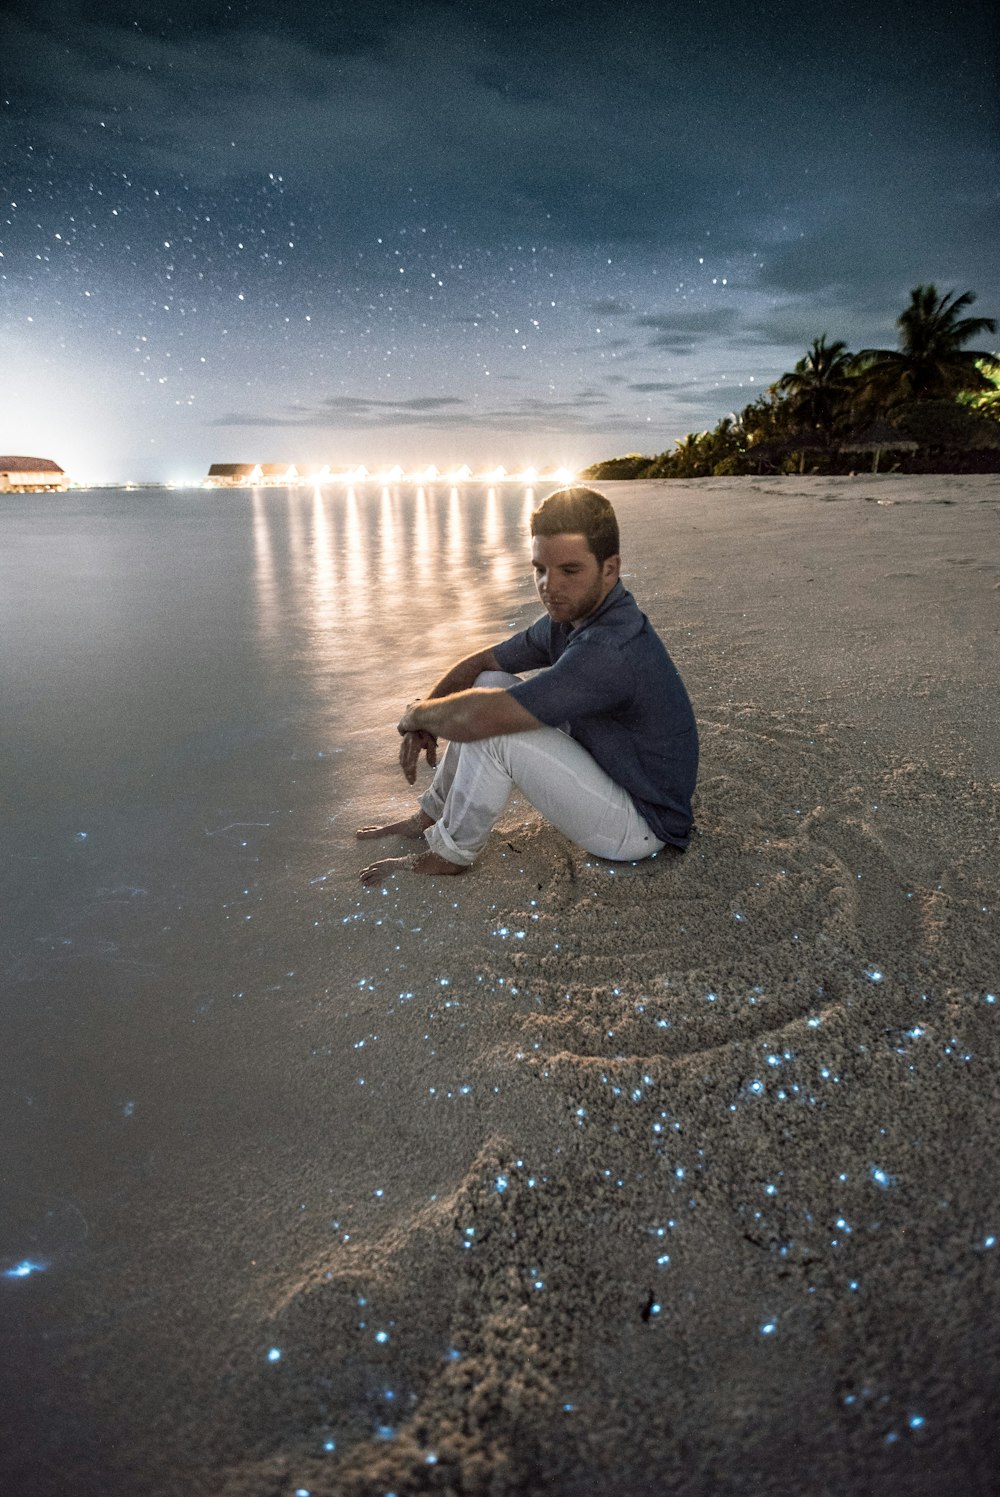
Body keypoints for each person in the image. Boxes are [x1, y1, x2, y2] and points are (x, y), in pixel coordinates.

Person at [357, 486, 697, 882]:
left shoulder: (611, 648)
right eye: (540, 569)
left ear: (609, 569)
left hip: (640, 824)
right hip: (612, 769)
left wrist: (417, 712)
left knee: (493, 726)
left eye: (569, 570)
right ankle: (430, 815)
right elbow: (483, 662)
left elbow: (485, 718)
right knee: (490, 682)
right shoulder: (570, 618)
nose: (549, 586)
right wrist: (428, 713)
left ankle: (451, 854)